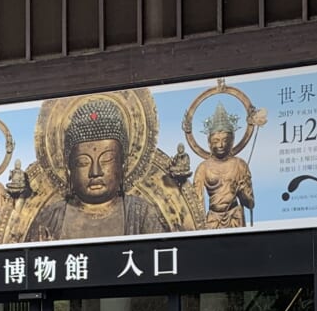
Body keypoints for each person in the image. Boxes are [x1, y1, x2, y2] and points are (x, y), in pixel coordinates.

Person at [28, 96, 169, 242]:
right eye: (83, 162)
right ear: (69, 169)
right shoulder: (49, 219)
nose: (95, 172)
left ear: (123, 164)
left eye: (107, 159)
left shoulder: (141, 214)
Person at [191, 102, 255, 228]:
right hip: (212, 220)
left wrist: (241, 192)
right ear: (209, 143)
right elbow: (196, 204)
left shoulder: (239, 165)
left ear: (232, 142)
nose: (220, 145)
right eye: (216, 141)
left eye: (225, 140)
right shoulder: (203, 168)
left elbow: (251, 204)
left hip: (235, 217)